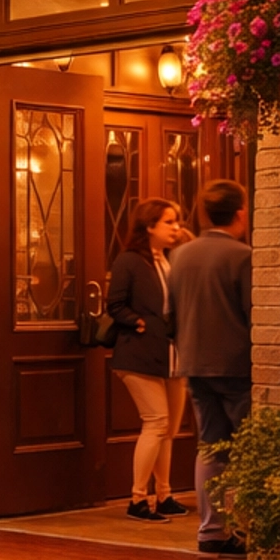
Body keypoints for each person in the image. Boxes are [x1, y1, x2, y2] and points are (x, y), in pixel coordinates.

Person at [168, 177, 252, 557]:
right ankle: (253, 530)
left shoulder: (181, 256)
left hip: (195, 362)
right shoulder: (243, 256)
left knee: (211, 446)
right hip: (237, 366)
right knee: (251, 448)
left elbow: (169, 315)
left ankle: (210, 531)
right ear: (240, 212)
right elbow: (257, 316)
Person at [105, 197, 190, 522]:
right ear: (149, 226)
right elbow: (116, 304)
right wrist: (138, 322)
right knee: (156, 422)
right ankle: (138, 499)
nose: (175, 227)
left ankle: (164, 494)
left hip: (171, 353)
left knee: (168, 429)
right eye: (169, 222)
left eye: (177, 221)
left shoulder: (170, 259)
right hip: (138, 353)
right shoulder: (129, 260)